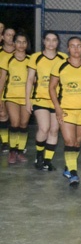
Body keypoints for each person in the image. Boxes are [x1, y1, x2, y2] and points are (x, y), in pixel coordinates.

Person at [48, 37, 81, 187]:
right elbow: (51, 88)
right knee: (69, 141)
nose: (76, 49)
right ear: (68, 48)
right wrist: (57, 108)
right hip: (67, 110)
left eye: (79, 46)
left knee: (77, 142)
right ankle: (73, 173)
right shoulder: (60, 65)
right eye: (72, 46)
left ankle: (68, 167)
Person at [25, 31, 66, 170]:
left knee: (54, 130)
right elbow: (30, 79)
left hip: (57, 101)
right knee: (44, 128)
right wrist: (27, 100)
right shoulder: (35, 58)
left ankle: (48, 160)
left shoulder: (63, 58)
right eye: (48, 40)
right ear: (43, 41)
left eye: (54, 40)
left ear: (58, 42)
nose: (51, 43)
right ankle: (39, 156)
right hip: (40, 98)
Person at [0, 32, 31, 163]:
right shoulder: (7, 59)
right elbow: (2, 79)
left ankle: (20, 151)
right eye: (18, 42)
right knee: (15, 122)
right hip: (11, 96)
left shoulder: (31, 60)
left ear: (27, 44)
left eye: (24, 42)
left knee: (24, 124)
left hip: (26, 98)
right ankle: (12, 151)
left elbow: (34, 79)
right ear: (14, 43)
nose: (21, 45)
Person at [0, 24, 14, 151]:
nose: (11, 38)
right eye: (8, 35)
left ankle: (17, 145)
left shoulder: (21, 52)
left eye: (13, 35)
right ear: (2, 37)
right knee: (2, 114)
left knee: (16, 118)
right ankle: (5, 142)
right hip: (2, 87)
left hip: (16, 90)